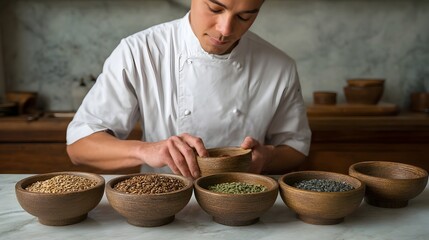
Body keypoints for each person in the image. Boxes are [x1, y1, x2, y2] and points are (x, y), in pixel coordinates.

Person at [66, 0, 311, 179]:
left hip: (243, 207)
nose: (225, 30)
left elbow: (296, 147)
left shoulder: (279, 66)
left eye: (245, 16)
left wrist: (268, 157)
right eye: (215, 8)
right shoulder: (140, 52)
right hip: (162, 206)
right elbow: (79, 146)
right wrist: (146, 150)